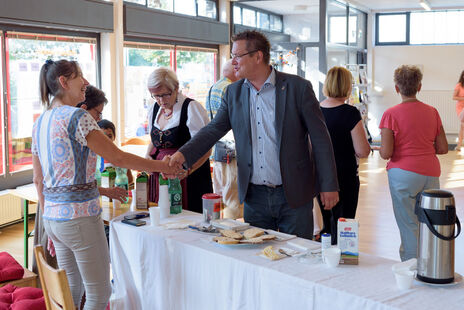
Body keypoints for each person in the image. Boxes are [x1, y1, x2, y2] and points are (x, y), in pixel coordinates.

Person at [32, 59, 180, 310]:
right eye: (80, 76)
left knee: (74, 289)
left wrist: (48, 218)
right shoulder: (77, 116)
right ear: (64, 82)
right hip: (79, 218)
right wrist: (163, 166)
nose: (86, 82)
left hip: (54, 220)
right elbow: (117, 157)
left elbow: (39, 180)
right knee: (100, 293)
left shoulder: (40, 122)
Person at [169, 30, 339, 240]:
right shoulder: (233, 93)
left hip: (294, 194)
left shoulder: (298, 88)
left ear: (258, 56)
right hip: (254, 197)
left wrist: (328, 185)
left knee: (297, 259)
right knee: (257, 258)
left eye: (237, 56)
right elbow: (213, 129)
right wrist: (182, 155)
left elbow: (320, 138)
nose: (233, 63)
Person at [379, 65, 448, 261]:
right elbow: (443, 148)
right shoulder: (432, 112)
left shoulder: (390, 114)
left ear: (397, 88)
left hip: (403, 173)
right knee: (429, 220)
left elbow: (386, 153)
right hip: (430, 172)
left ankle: (411, 264)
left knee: (408, 222)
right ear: (419, 87)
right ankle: (432, 262)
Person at [145, 67, 212, 214]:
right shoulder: (154, 109)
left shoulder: (191, 108)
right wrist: (148, 156)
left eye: (165, 95)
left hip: (189, 177)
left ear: (176, 88)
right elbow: (155, 140)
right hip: (161, 175)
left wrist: (188, 171)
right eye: (156, 96)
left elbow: (206, 149)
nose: (161, 100)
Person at [318, 66, 371, 244]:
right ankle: (342, 258)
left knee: (323, 225)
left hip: (320, 177)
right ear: (347, 86)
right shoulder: (350, 113)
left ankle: (323, 258)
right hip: (345, 178)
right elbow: (362, 151)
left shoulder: (315, 110)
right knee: (344, 226)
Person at [206, 60, 243, 219]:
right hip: (232, 148)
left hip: (218, 148)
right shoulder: (231, 89)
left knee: (221, 192)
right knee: (232, 195)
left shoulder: (213, 87)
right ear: (235, 72)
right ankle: (231, 229)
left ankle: (221, 223)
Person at [453, 70, 464, 151]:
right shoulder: (459, 85)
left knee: (462, 127)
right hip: (461, 109)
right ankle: (459, 145)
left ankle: (459, 145)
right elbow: (454, 97)